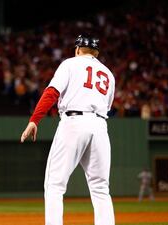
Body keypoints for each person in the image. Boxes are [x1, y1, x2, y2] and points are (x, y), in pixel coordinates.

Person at [20, 34, 115, 225]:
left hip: (74, 122)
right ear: (96, 52)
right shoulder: (108, 74)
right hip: (100, 127)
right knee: (100, 188)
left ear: (78, 49)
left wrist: (34, 120)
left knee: (55, 184)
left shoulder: (70, 64)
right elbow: (108, 106)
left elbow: (51, 93)